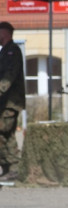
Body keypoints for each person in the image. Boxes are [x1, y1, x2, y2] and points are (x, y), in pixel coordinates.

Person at [0, 22, 25, 183]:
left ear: (6, 33)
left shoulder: (12, 52)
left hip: (11, 102)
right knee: (6, 134)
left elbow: (9, 77)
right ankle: (10, 168)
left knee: (3, 133)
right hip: (5, 102)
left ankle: (14, 167)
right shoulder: (4, 51)